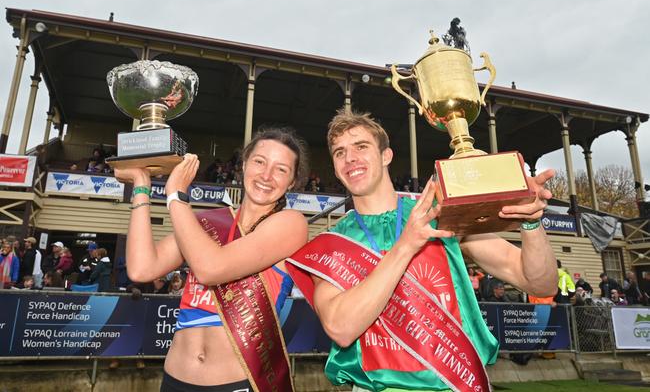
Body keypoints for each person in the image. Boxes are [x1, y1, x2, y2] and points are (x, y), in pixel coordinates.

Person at [286, 110, 557, 392]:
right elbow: (340, 329)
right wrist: (405, 245)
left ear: (386, 156)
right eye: (340, 152)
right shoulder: (331, 243)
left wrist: (532, 224)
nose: (350, 158)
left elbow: (539, 282)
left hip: (459, 382)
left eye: (361, 147)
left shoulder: (439, 216)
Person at [115, 127, 309, 392]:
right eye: (260, 162)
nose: (266, 175)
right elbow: (142, 268)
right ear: (243, 165)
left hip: (236, 383)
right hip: (175, 379)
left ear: (293, 181)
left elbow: (211, 268)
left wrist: (176, 197)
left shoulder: (291, 224)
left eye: (281, 169)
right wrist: (141, 186)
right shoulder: (208, 221)